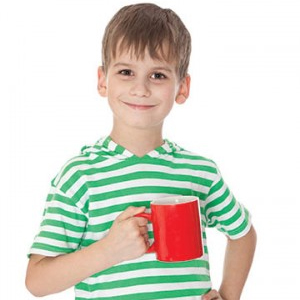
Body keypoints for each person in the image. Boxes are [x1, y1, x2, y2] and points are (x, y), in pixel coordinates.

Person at [26, 3, 256, 300]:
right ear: (102, 81)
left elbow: (242, 233)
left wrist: (229, 295)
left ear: (182, 87)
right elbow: (37, 281)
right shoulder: (80, 176)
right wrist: (108, 250)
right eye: (126, 71)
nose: (141, 88)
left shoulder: (200, 171)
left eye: (158, 75)